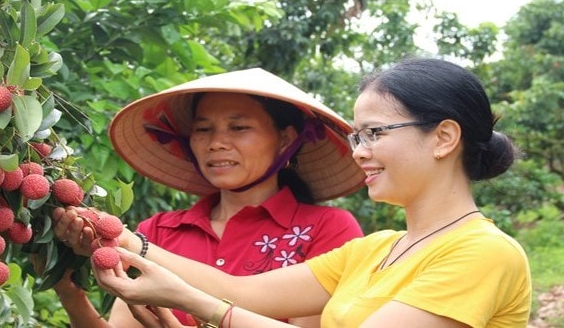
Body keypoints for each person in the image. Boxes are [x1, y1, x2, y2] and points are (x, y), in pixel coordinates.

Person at [61, 57, 532, 327]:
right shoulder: (374, 250)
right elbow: (239, 291)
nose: (359, 153)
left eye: (375, 133)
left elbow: (219, 299)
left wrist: (192, 302)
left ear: (444, 138)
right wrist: (119, 238)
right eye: (356, 137)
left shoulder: (483, 253)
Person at [52, 67, 365, 327]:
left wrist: (133, 245)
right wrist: (69, 291)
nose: (216, 143)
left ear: (285, 140)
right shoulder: (159, 230)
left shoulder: (328, 229)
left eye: (238, 127)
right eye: (204, 130)